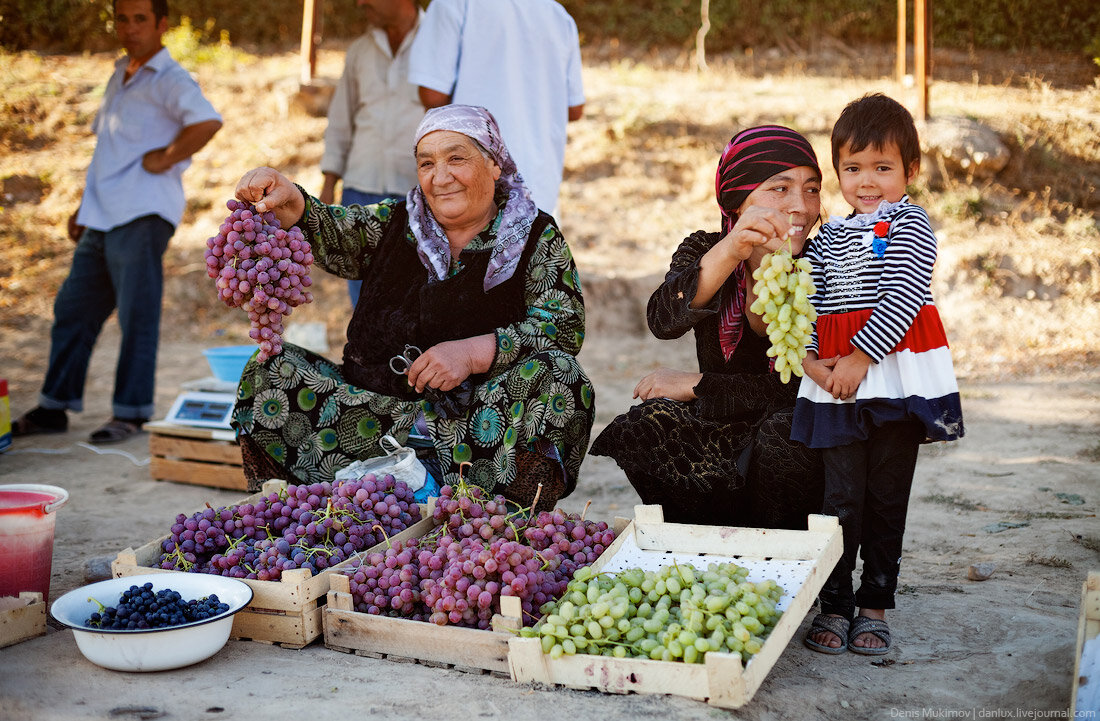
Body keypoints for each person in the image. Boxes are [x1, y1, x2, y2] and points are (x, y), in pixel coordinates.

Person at [231, 105, 595, 511]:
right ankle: (305, 512)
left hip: (478, 435)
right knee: (268, 371)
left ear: (494, 163)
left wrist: (472, 353)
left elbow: (563, 325)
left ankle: (500, 520)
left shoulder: (534, 234)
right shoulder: (396, 221)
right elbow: (333, 229)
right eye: (427, 163)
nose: (441, 177)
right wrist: (291, 198)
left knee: (561, 376)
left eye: (457, 158)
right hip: (368, 423)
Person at [589, 126, 825, 529]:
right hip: (726, 428)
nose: (801, 206)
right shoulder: (707, 249)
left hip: (797, 435)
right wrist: (733, 249)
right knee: (645, 426)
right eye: (780, 189)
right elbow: (663, 320)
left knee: (785, 431)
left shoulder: (828, 261)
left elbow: (800, 387)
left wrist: (698, 384)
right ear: (737, 199)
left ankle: (782, 559)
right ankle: (701, 548)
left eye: (812, 189)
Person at [796, 93, 964, 656]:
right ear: (838, 172)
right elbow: (811, 307)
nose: (867, 182)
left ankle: (875, 604)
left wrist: (861, 358)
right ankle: (835, 603)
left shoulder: (911, 224)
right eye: (852, 169)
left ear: (910, 171)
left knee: (887, 496)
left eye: (883, 168)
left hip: (892, 379)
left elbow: (907, 292)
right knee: (839, 498)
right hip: (836, 386)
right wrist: (817, 364)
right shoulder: (825, 240)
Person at [13, 0, 222, 444]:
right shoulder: (119, 73)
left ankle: (130, 412)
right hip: (101, 215)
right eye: (122, 19)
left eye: (140, 19)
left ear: (161, 24)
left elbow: (207, 122)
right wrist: (82, 208)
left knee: (136, 315)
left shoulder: (171, 77)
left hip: (143, 212)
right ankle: (54, 406)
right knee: (72, 308)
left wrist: (167, 157)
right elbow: (107, 151)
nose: (129, 28)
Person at [407, 0, 585, 215]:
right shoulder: (557, 15)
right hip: (539, 188)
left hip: (474, 193)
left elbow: (432, 95)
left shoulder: (454, 4)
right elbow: (575, 109)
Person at [320, 0, 424, 306]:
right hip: (359, 189)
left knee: (416, 294)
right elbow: (340, 120)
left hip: (420, 192)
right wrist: (328, 184)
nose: (360, 2)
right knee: (364, 296)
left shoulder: (440, 43)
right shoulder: (359, 51)